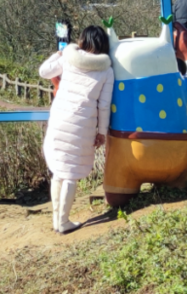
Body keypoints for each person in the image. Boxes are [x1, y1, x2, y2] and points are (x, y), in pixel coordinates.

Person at [38, 25, 113, 234]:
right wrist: (102, 132)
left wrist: (58, 53)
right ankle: (64, 221)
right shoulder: (106, 70)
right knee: (70, 173)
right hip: (83, 124)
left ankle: (57, 221)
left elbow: (44, 71)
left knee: (58, 172)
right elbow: (104, 105)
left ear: (82, 41)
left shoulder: (69, 59)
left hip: (59, 119)